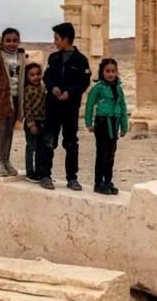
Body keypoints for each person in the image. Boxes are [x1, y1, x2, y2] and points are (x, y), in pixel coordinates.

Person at [37, 22, 91, 191]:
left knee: (71, 142)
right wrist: (52, 87)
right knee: (48, 140)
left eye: (57, 38)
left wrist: (71, 92)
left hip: (70, 107)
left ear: (66, 39)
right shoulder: (53, 58)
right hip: (53, 106)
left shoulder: (81, 60)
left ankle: (72, 178)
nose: (54, 42)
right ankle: (45, 175)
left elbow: (84, 82)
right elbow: (47, 76)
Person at [0, 28, 26, 176]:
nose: (11, 43)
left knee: (10, 131)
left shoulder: (21, 56)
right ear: (2, 41)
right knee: (1, 131)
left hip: (16, 98)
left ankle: (7, 160)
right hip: (2, 99)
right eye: (8, 40)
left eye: (15, 40)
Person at [84, 58, 129, 195]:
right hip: (102, 122)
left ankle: (108, 181)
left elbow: (122, 106)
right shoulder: (98, 88)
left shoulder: (118, 88)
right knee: (101, 154)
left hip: (114, 123)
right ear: (102, 72)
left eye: (113, 71)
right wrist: (88, 123)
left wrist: (124, 125)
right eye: (107, 71)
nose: (110, 74)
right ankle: (99, 183)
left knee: (111, 154)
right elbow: (90, 104)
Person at [21, 62, 46, 182]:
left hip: (42, 121)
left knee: (41, 148)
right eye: (32, 75)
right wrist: (31, 124)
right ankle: (30, 172)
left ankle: (40, 172)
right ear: (27, 77)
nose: (36, 77)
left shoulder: (42, 87)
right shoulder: (28, 90)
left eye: (38, 74)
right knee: (31, 147)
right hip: (33, 123)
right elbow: (27, 108)